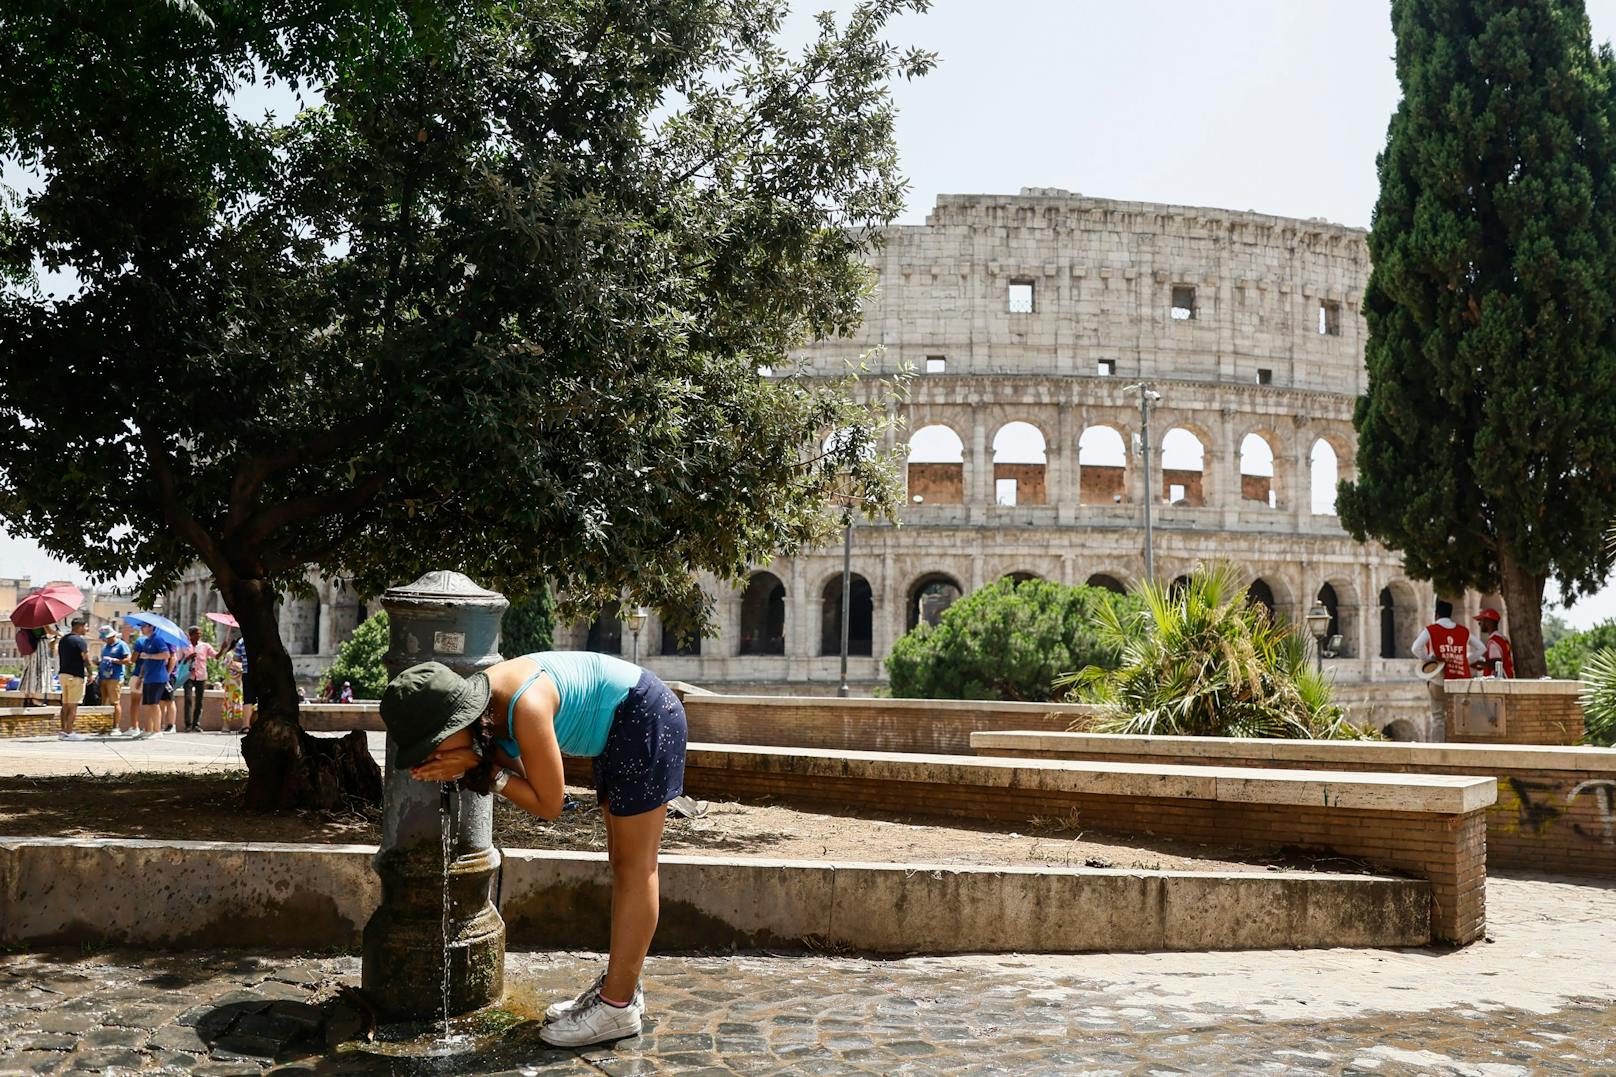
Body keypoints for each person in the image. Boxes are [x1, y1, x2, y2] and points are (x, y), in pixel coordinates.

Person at [381, 651, 687, 1048]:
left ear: (456, 721)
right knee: (622, 862)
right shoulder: (487, 706)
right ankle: (622, 986)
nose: (434, 757)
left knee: (636, 866)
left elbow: (549, 804)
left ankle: (617, 1007)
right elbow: (529, 776)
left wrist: (485, 769)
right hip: (624, 723)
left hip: (643, 715)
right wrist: (482, 761)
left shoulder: (524, 705)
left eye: (434, 745)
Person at [1412, 600, 1483, 740]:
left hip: (1438, 679)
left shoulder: (1431, 629)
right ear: (1450, 615)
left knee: (1438, 717)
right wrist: (1465, 661)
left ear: (1436, 614)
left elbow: (1415, 648)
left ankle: (1438, 749)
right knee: (1458, 716)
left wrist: (1429, 660)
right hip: (1459, 679)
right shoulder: (1463, 631)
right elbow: (1481, 648)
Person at [132, 622, 176, 738]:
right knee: (148, 704)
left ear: (151, 627)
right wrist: (140, 677)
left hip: (158, 677)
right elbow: (144, 662)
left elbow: (166, 655)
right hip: (148, 677)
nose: (141, 628)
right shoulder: (146, 641)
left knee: (154, 704)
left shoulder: (158, 639)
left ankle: (157, 731)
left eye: (144, 626)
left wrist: (149, 656)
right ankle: (148, 729)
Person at [176, 626, 217, 732]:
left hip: (201, 676)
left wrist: (225, 648)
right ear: (190, 635)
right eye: (196, 633)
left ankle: (196, 724)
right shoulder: (184, 646)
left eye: (200, 633)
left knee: (199, 701)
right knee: (188, 700)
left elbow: (216, 656)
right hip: (188, 676)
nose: (199, 635)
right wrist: (188, 658)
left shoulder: (205, 646)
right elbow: (179, 661)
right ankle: (188, 725)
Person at [56, 617, 90, 740]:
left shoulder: (63, 640)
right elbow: (85, 658)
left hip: (63, 675)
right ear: (80, 626)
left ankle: (62, 731)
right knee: (73, 705)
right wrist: (90, 673)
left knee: (65, 705)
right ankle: (69, 732)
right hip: (75, 676)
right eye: (86, 626)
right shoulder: (80, 641)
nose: (87, 629)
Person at [96, 625, 130, 736]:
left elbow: (128, 660)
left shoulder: (121, 645)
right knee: (104, 702)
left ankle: (116, 727)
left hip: (115, 677)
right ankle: (104, 727)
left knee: (114, 702)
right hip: (104, 677)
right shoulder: (105, 646)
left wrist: (116, 661)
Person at [16, 624, 54, 708]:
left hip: (29, 647)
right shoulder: (41, 621)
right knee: (40, 670)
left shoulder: (26, 622)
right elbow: (49, 631)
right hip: (39, 647)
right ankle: (35, 699)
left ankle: (27, 698)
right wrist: (59, 634)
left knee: (30, 670)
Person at [1475, 608, 1514, 679]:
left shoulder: (1493, 642)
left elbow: (1495, 664)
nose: (1479, 625)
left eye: (1480, 622)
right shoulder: (1503, 638)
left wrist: (1477, 663)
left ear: (1488, 622)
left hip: (1499, 681)